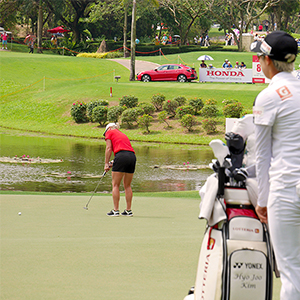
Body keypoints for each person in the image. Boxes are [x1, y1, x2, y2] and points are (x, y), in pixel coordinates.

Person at [251, 31, 300, 299]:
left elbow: (262, 154)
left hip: (287, 190)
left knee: (291, 272)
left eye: (260, 56)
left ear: (268, 60)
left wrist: (263, 200)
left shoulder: (268, 97)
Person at [104, 123, 136, 217]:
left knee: (115, 185)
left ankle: (115, 210)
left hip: (122, 156)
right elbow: (124, 150)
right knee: (127, 185)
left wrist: (106, 164)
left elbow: (109, 148)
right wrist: (113, 162)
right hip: (132, 157)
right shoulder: (122, 134)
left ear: (108, 128)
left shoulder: (109, 132)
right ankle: (128, 211)